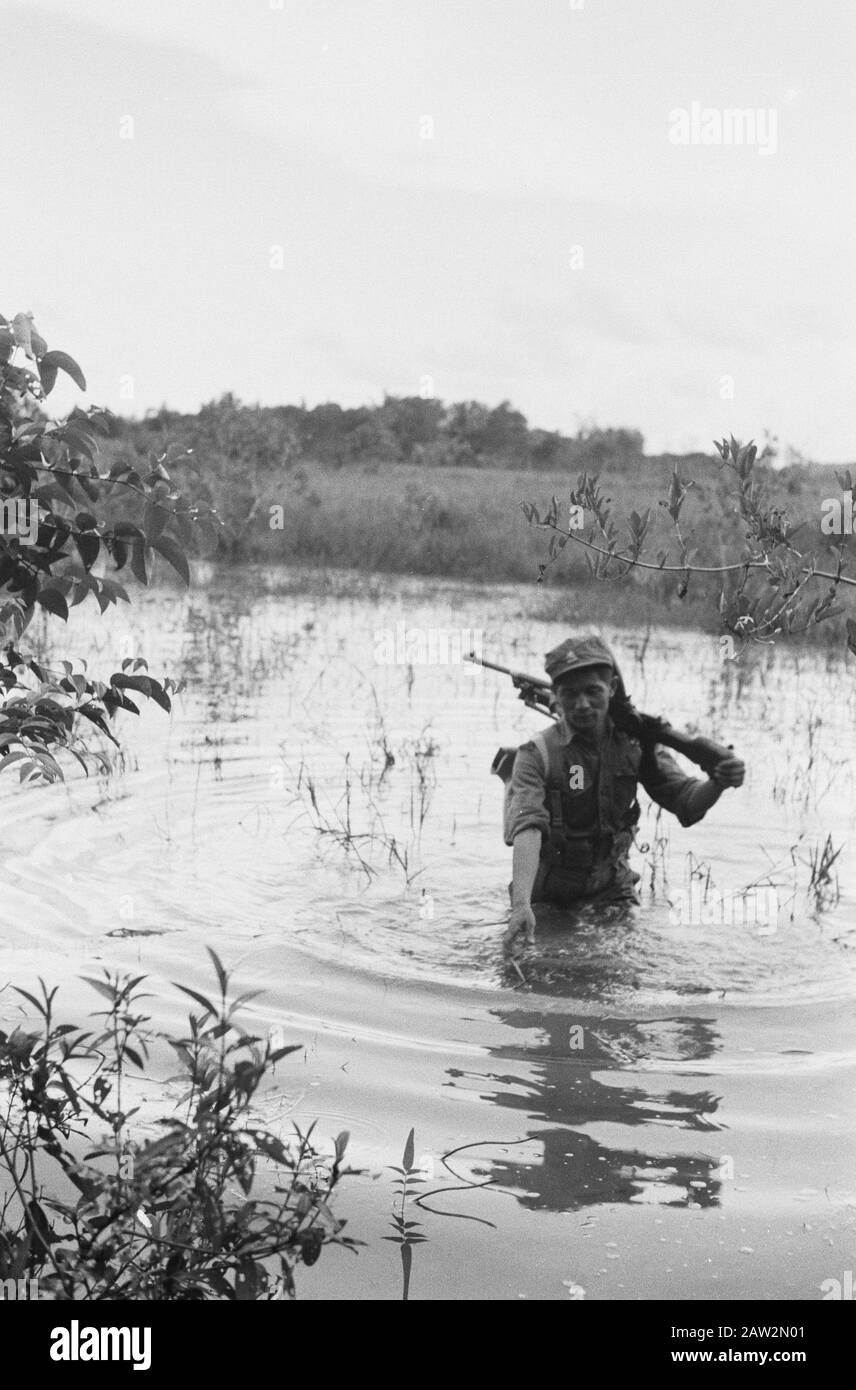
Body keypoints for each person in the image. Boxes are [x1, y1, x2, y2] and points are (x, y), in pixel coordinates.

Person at [503, 636, 745, 953]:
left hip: (612, 892)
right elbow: (528, 826)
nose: (582, 704)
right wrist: (521, 905)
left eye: (593, 691)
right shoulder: (537, 754)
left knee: (619, 978)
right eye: (570, 694)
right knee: (529, 971)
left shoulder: (636, 743)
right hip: (548, 896)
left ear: (612, 688)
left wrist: (718, 783)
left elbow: (685, 801)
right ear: (556, 696)